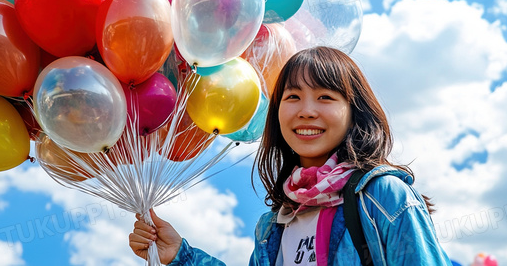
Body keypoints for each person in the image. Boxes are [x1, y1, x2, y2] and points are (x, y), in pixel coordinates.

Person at [129, 46, 452, 265]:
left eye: (325, 97)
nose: (306, 111)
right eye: (293, 97)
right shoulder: (272, 225)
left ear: (354, 112)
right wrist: (179, 255)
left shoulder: (383, 197)